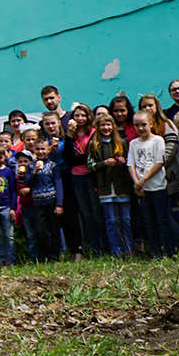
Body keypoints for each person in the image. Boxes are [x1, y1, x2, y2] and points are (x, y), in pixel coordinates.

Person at [86, 111, 132, 258]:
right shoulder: (94, 145)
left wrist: (124, 162)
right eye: (102, 125)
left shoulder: (122, 143)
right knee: (111, 221)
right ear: (98, 127)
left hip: (121, 186)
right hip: (105, 187)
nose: (106, 127)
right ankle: (116, 251)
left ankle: (128, 250)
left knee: (125, 220)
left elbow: (131, 162)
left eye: (108, 124)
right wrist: (104, 163)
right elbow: (90, 165)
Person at [128, 108, 171, 259]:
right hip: (142, 189)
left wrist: (143, 179)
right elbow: (131, 165)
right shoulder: (133, 144)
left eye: (143, 125)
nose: (140, 128)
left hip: (157, 186)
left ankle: (169, 251)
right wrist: (137, 184)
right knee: (148, 221)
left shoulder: (157, 140)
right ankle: (156, 252)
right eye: (137, 125)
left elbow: (159, 162)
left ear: (151, 124)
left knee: (162, 220)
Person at [60, 104, 100, 259]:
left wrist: (76, 159)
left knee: (96, 212)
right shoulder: (71, 135)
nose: (80, 118)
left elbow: (92, 156)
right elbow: (66, 157)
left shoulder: (93, 133)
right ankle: (94, 249)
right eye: (77, 116)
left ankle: (102, 247)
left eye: (83, 115)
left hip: (91, 176)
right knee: (85, 214)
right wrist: (70, 134)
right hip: (76, 177)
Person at [21, 136, 63, 263]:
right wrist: (34, 172)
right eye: (38, 149)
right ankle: (44, 254)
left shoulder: (53, 165)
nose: (40, 152)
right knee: (40, 231)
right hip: (38, 203)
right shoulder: (31, 166)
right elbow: (27, 182)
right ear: (34, 150)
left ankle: (55, 256)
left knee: (54, 230)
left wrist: (59, 204)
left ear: (48, 150)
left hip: (51, 201)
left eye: (43, 149)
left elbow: (58, 184)